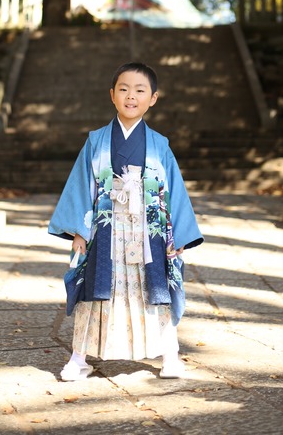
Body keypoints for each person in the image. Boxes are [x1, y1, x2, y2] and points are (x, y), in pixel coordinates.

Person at [48, 61, 204, 381]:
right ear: (112, 95)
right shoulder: (96, 140)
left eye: (139, 90)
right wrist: (79, 230)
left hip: (150, 229)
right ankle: (79, 358)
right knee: (94, 292)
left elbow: (172, 188)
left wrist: (178, 236)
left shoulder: (159, 144)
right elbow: (82, 184)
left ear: (153, 98)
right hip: (106, 227)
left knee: (156, 290)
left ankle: (170, 356)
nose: (130, 96)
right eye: (123, 89)